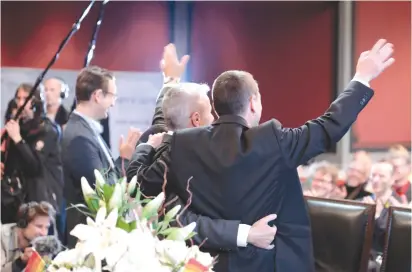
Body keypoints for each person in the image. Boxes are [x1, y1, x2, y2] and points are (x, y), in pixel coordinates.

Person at [135, 39, 395, 271]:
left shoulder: (181, 144)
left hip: (201, 264)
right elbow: (328, 127)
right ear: (253, 103)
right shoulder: (272, 140)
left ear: (215, 106)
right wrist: (362, 77)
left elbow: (158, 202)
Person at [128, 44, 278, 251]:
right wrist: (248, 234)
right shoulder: (188, 157)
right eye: (210, 113)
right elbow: (181, 218)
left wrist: (170, 81)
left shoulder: (159, 136)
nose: (215, 119)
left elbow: (163, 114)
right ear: (196, 119)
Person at [62, 66, 141, 248]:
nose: (113, 103)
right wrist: (125, 159)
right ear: (98, 95)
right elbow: (105, 191)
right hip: (88, 240)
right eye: (112, 96)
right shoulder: (79, 137)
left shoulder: (85, 130)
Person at [1, 84, 63, 225]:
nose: (21, 103)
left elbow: (35, 167)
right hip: (17, 200)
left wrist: (18, 139)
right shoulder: (17, 128)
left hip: (41, 203)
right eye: (18, 98)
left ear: (36, 102)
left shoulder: (47, 130)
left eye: (26, 98)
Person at [1, 201, 55, 272]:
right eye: (39, 226)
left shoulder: (41, 242)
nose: (44, 233)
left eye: (47, 227)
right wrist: (20, 262)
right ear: (22, 224)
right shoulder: (2, 237)